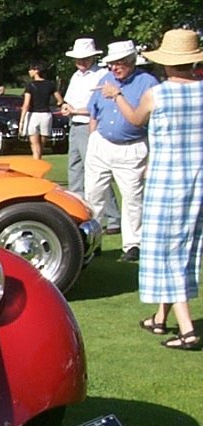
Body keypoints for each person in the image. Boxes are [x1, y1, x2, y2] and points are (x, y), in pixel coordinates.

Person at [100, 29, 203, 350]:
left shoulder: (157, 94)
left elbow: (133, 120)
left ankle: (187, 329)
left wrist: (116, 96)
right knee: (185, 246)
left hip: (166, 180)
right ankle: (160, 318)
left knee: (166, 251)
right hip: (198, 179)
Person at [85, 40, 159, 262]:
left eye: (119, 64)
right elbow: (93, 112)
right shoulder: (105, 79)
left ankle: (132, 244)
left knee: (132, 197)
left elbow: (141, 120)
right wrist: (93, 137)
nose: (114, 68)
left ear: (131, 62)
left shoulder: (147, 83)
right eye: (111, 64)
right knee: (93, 195)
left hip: (131, 146)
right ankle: (93, 241)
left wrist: (118, 95)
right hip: (101, 143)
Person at [60, 37, 121, 234]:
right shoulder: (76, 76)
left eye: (85, 58)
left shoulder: (102, 75)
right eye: (79, 59)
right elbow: (69, 100)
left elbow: (100, 106)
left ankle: (113, 218)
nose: (81, 62)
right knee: (75, 171)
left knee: (97, 173)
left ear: (93, 57)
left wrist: (76, 110)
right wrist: (67, 108)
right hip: (75, 126)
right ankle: (78, 213)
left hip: (91, 126)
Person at [19, 61, 63, 159]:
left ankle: (36, 166)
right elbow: (60, 100)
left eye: (31, 69)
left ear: (36, 71)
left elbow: (26, 104)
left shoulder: (30, 86)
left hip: (33, 115)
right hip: (46, 115)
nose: (29, 72)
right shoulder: (50, 84)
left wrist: (21, 122)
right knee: (41, 146)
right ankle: (38, 162)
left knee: (34, 145)